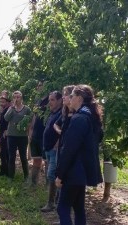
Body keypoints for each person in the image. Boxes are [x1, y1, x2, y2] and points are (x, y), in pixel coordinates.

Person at [55, 84, 103, 225]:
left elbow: (69, 149)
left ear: (79, 98)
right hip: (82, 172)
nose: (69, 98)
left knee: (62, 208)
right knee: (78, 208)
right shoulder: (90, 116)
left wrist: (60, 174)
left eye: (72, 96)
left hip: (73, 172)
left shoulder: (80, 119)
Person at [41, 91, 62, 212]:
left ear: (60, 100)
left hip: (54, 150)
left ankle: (53, 203)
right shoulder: (52, 113)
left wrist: (57, 144)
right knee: (52, 175)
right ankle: (54, 201)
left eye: (52, 100)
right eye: (49, 100)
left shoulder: (61, 113)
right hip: (48, 149)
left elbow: (62, 130)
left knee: (52, 175)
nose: (50, 102)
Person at [4, 91, 31, 182]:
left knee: (23, 157)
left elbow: (30, 121)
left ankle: (26, 176)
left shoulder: (27, 109)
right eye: (14, 97)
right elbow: (6, 118)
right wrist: (12, 108)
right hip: (12, 136)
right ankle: (11, 176)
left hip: (22, 136)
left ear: (21, 98)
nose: (16, 99)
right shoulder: (11, 108)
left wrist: (26, 127)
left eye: (18, 97)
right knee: (12, 157)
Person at [0, 94, 10, 176]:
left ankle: (8, 171)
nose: (1, 103)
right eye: (0, 102)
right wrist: (0, 113)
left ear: (8, 102)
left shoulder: (10, 109)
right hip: (1, 133)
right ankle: (3, 170)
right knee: (2, 152)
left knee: (7, 152)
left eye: (3, 102)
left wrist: (7, 130)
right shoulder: (2, 110)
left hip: (8, 133)